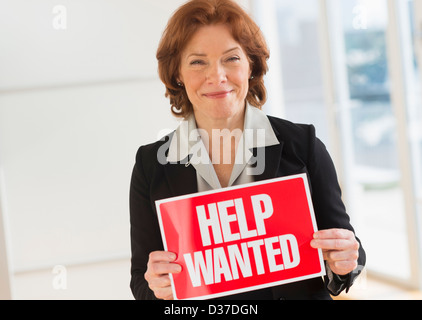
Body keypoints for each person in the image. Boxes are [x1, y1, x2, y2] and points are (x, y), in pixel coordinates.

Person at [129, 0, 365, 300]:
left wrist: (345, 263)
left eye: (231, 59)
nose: (217, 76)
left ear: (251, 65)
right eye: (198, 62)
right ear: (177, 73)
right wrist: (157, 287)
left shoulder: (302, 145)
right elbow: (141, 280)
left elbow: (348, 254)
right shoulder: (151, 165)